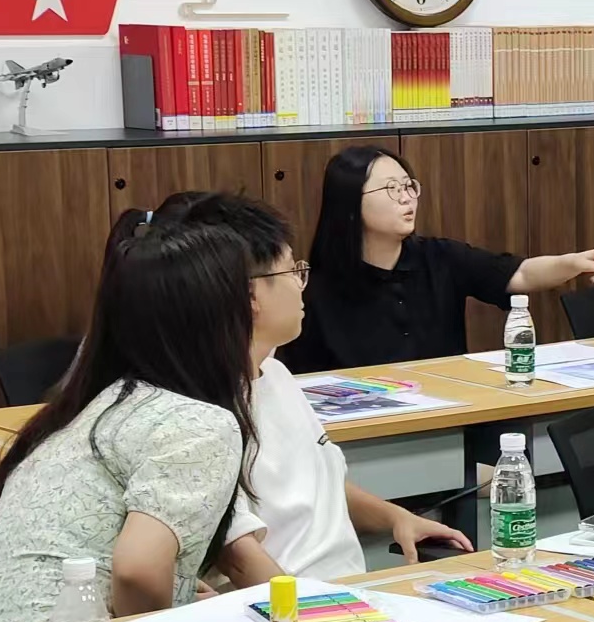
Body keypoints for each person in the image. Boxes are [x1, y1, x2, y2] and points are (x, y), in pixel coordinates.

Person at [145, 192, 470, 583]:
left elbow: (316, 484)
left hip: (346, 588)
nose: (302, 285)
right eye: (292, 271)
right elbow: (239, 558)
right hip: (287, 605)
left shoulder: (277, 375)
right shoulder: (203, 413)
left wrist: (396, 517)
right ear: (250, 295)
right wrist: (313, 611)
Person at [0, 222, 258, 622]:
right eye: (246, 297)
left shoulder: (84, 410)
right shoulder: (198, 423)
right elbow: (137, 571)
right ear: (216, 319)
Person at [282, 146, 594, 370]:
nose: (407, 198)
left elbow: (519, 274)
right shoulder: (314, 288)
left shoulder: (441, 257)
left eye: (409, 186)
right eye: (391, 189)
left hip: (447, 415)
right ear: (349, 203)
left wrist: (571, 263)